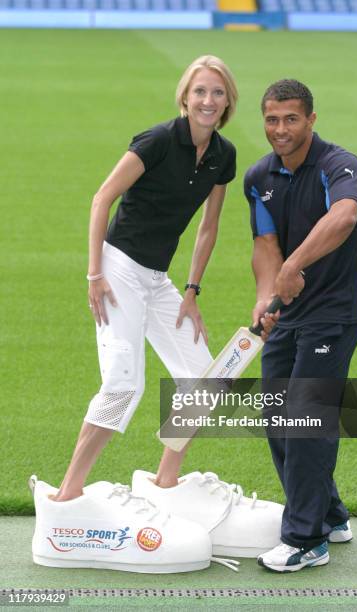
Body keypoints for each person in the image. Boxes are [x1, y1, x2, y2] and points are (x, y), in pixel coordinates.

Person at [32, 56, 282, 573]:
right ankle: (64, 503)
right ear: (184, 97)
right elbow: (103, 198)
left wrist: (190, 289)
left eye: (217, 92)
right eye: (199, 92)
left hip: (158, 279)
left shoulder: (223, 156)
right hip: (119, 267)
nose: (208, 100)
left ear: (228, 101)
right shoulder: (156, 141)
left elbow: (208, 227)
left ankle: (165, 484)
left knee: (205, 380)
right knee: (123, 385)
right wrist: (94, 274)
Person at [244, 79, 357, 572]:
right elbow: (264, 245)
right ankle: (331, 515)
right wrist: (264, 295)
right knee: (277, 417)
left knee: (305, 422)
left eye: (291, 119)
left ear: (311, 119)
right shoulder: (259, 176)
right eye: (272, 119)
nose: (281, 129)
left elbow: (345, 216)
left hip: (334, 315)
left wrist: (293, 267)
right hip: (289, 316)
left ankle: (306, 538)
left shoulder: (340, 165)